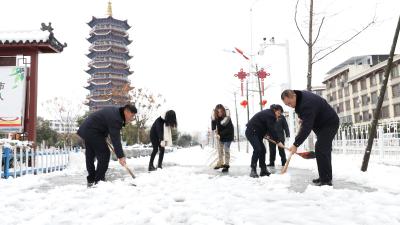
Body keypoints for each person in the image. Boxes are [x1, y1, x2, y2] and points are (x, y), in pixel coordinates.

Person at [281, 89, 339, 186]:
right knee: (323, 149)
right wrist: (303, 118)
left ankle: (326, 180)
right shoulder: (300, 97)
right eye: (287, 105)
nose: (290, 106)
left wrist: (296, 144)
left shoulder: (306, 103)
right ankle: (324, 177)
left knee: (321, 148)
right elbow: (308, 115)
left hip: (329, 123)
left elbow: (306, 128)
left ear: (293, 96)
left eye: (289, 103)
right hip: (321, 124)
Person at [77, 104, 137, 187]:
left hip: (87, 129)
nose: (132, 119)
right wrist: (121, 156)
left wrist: (103, 135)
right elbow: (115, 139)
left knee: (90, 155)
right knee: (104, 154)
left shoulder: (117, 112)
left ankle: (91, 179)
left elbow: (104, 123)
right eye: (132, 116)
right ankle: (99, 181)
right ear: (126, 111)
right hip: (93, 131)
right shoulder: (116, 118)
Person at [245, 105, 284, 178]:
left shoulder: (269, 113)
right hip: (252, 132)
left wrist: (266, 134)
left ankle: (263, 170)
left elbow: (264, 126)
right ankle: (253, 170)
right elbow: (271, 129)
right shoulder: (270, 115)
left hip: (256, 133)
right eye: (279, 113)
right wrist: (278, 141)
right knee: (258, 149)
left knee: (263, 150)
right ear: (275, 110)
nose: (279, 115)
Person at [211, 104, 234, 173]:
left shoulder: (227, 118)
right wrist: (213, 120)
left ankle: (226, 165)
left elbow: (229, 129)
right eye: (218, 112)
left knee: (226, 150)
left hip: (228, 136)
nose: (219, 113)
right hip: (220, 136)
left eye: (221, 111)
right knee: (220, 151)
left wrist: (220, 134)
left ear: (223, 111)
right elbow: (213, 127)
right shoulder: (216, 118)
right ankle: (220, 163)